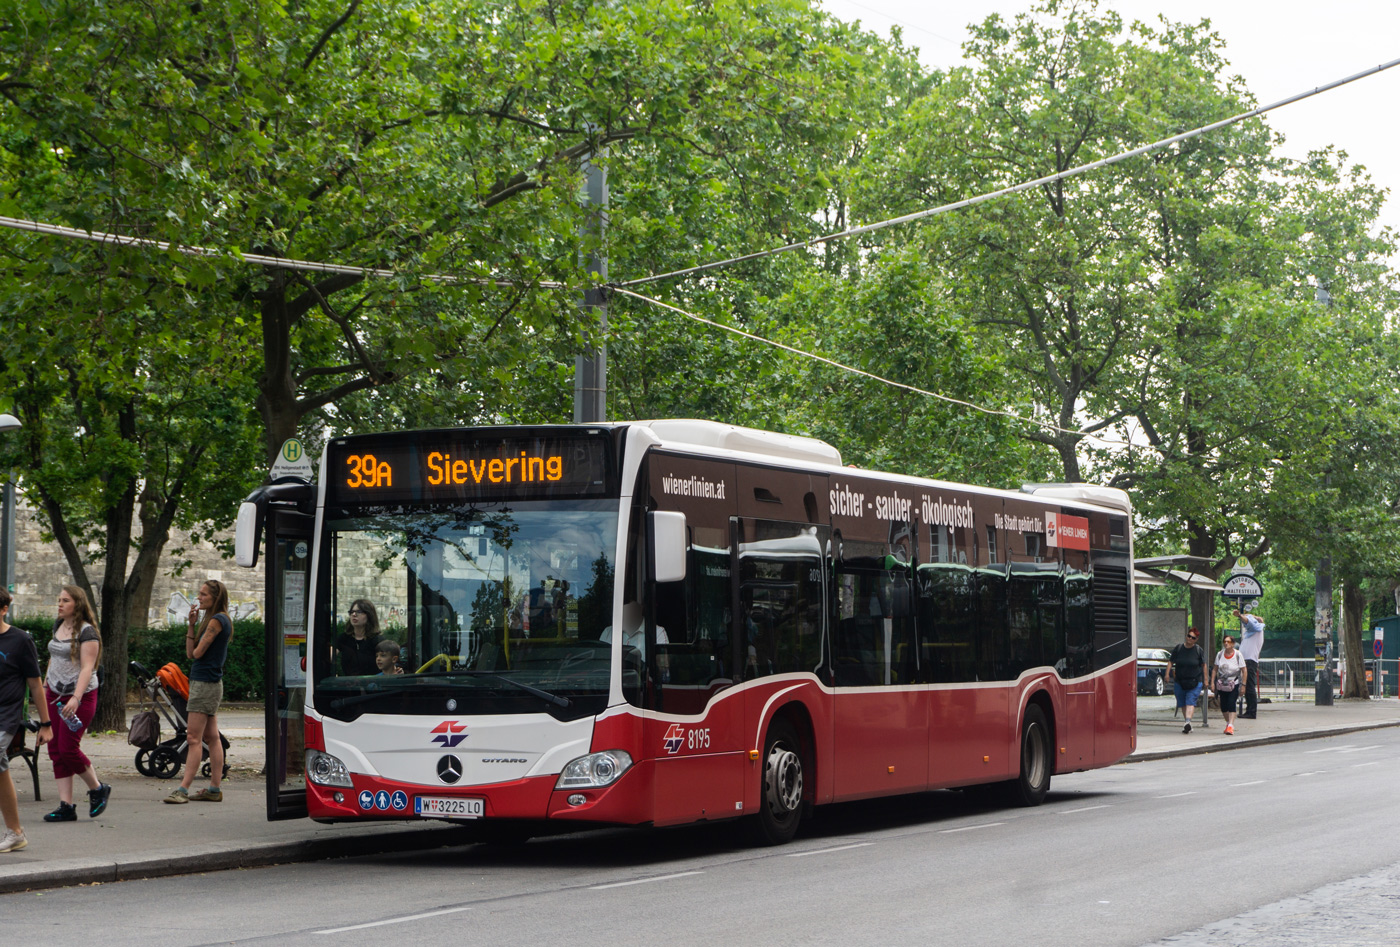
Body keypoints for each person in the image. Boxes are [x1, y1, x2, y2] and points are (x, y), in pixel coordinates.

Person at [43, 585, 111, 821]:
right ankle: (66, 806)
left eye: (65, 600)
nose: (60, 604)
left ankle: (97, 788)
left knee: (68, 748)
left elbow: (87, 668)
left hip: (79, 697)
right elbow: (53, 660)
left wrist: (76, 697)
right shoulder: (58, 625)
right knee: (55, 750)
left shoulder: (87, 632)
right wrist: (44, 688)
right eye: (59, 599)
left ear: (77, 604)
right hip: (54, 694)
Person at [165, 580, 232, 804]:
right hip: (207, 683)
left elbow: (197, 653)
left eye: (204, 595)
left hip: (205, 684)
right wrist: (192, 625)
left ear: (215, 598)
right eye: (199, 593)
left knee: (193, 737)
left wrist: (198, 638)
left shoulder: (217, 620)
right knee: (212, 737)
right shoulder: (212, 619)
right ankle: (214, 788)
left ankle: (183, 790)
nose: (198, 597)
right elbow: (189, 653)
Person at [0, 589, 52, 852]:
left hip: (6, 716)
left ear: (4, 609)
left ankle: (15, 831)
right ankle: (15, 833)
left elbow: (35, 683)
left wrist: (46, 723)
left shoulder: (20, 640)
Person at [1167, 626, 1207, 734]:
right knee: (1183, 703)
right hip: (1180, 680)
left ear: (1196, 640)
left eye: (1193, 638)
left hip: (1195, 680)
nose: (1190, 639)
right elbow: (1171, 661)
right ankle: (1187, 723)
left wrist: (1206, 680)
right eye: (1189, 636)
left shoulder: (1198, 650)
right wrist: (1167, 674)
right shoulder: (1179, 648)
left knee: (1190, 701)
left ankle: (1188, 721)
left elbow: (1204, 665)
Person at [1211, 633, 1248, 735]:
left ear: (1233, 644)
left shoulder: (1237, 655)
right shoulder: (1220, 654)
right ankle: (1228, 723)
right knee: (1223, 705)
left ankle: (1231, 725)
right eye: (1225, 642)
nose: (1226, 643)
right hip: (1222, 684)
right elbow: (1215, 669)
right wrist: (1212, 683)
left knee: (1232, 703)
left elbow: (1244, 670)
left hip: (1234, 683)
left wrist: (1243, 685)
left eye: (1229, 642)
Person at [333, 599, 382, 676]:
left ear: (369, 615)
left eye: (359, 612)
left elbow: (388, 662)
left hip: (371, 684)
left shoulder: (377, 640)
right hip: (348, 684)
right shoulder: (344, 638)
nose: (354, 614)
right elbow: (328, 658)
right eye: (351, 612)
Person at [1235, 607, 1265, 718]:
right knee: (1247, 686)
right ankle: (1249, 710)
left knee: (1249, 686)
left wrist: (1240, 616)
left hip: (1249, 661)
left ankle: (1252, 711)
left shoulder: (1256, 628)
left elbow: (1249, 622)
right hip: (1247, 660)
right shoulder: (1253, 633)